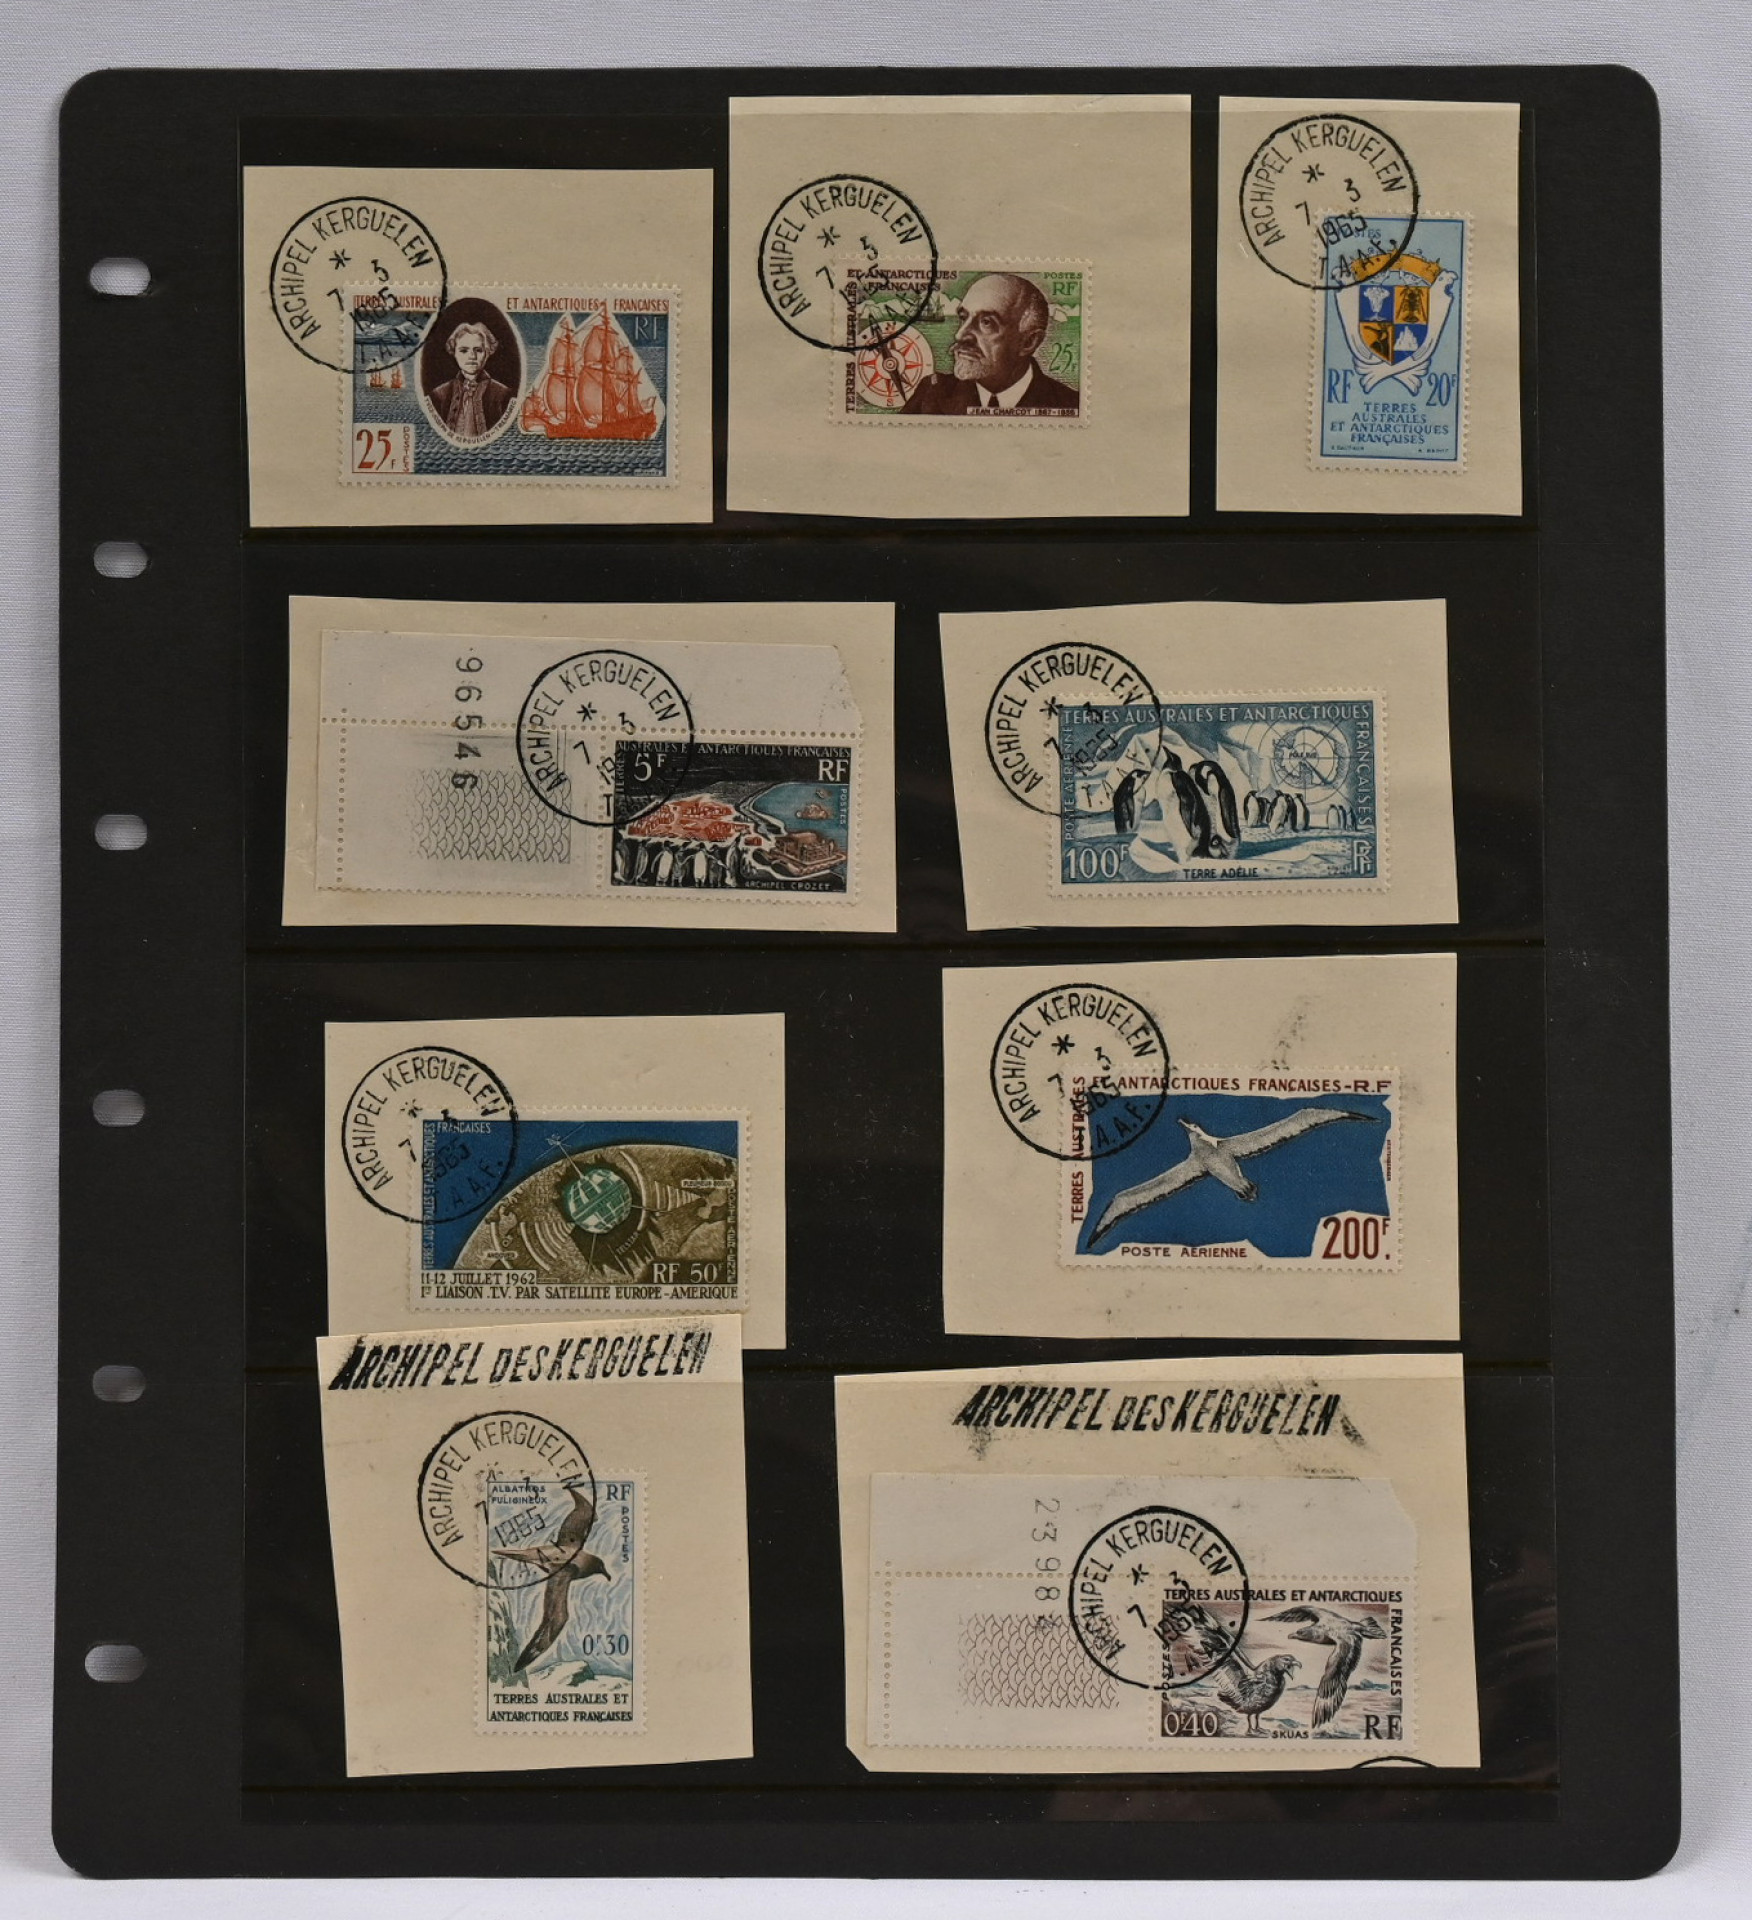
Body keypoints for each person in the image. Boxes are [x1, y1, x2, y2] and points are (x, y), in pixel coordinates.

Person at [902, 273, 1079, 414]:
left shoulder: (1070, 404)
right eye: (963, 317)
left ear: (1028, 342)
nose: (960, 335)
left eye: (986, 322)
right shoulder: (932, 393)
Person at [428, 319, 513, 439]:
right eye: (464, 350)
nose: (472, 356)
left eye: (478, 350)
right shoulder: (440, 394)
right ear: (454, 352)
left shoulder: (503, 394)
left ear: (487, 353)